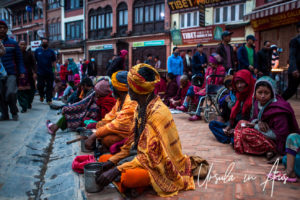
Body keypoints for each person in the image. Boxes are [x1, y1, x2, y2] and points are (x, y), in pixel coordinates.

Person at [94, 64, 208, 197]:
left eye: (129, 86)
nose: (127, 89)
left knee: (127, 178)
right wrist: (112, 162)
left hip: (160, 164)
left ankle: (140, 184)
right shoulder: (140, 107)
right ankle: (135, 185)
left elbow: (152, 157)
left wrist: (117, 169)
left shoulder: (157, 113)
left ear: (137, 89)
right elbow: (132, 144)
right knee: (104, 160)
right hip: (141, 156)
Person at [234, 77, 299, 159]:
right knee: (241, 123)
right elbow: (254, 118)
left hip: (278, 142)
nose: (263, 96)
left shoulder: (279, 111)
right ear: (255, 93)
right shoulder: (258, 103)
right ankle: (261, 149)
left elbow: (280, 135)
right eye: (260, 92)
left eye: (266, 93)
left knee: (245, 133)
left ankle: (272, 149)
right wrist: (258, 122)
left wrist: (256, 126)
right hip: (264, 133)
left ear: (272, 93)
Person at [85, 71, 138, 150]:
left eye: (112, 87)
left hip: (130, 134)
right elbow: (109, 117)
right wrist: (97, 126)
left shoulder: (130, 101)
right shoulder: (120, 100)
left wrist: (95, 135)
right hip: (119, 130)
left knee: (107, 140)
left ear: (118, 88)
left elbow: (117, 124)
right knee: (101, 136)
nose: (111, 89)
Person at [46, 79, 116, 135]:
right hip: (90, 115)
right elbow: (83, 103)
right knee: (71, 113)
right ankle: (54, 127)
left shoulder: (108, 101)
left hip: (98, 122)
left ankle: (54, 127)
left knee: (75, 116)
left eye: (98, 92)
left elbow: (105, 118)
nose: (96, 94)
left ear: (102, 92)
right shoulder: (97, 96)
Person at [212, 70, 256, 144]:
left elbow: (251, 120)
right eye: (237, 83)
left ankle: (232, 138)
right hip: (236, 125)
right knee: (212, 124)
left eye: (242, 82)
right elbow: (235, 114)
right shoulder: (239, 95)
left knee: (239, 135)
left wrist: (235, 128)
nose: (239, 86)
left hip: (247, 127)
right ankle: (232, 138)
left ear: (248, 82)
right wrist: (230, 126)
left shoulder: (254, 96)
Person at [178, 53, 225, 121]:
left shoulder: (221, 68)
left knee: (201, 94)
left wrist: (212, 75)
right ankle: (185, 105)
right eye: (210, 63)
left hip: (215, 87)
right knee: (191, 88)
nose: (210, 64)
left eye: (212, 63)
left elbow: (219, 80)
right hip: (206, 86)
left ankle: (198, 114)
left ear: (215, 62)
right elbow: (205, 79)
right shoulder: (209, 68)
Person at [0, 20, 25, 120]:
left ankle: (14, 112)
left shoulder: (13, 43)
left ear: (6, 29)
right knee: (0, 94)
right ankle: (4, 114)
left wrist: (22, 71)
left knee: (11, 92)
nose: (2, 29)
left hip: (11, 72)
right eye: (0, 27)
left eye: (3, 28)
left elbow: (19, 59)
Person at [209, 75, 236, 143]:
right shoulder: (228, 96)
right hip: (230, 122)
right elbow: (224, 113)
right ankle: (228, 137)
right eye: (228, 87)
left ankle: (230, 137)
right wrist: (221, 118)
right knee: (212, 124)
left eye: (231, 85)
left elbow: (238, 112)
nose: (231, 88)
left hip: (236, 123)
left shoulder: (239, 95)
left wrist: (230, 126)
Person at [34, 37, 56, 104]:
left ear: (48, 43)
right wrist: (34, 71)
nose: (44, 43)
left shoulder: (51, 52)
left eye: (46, 42)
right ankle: (41, 95)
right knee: (40, 85)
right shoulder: (37, 51)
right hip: (40, 72)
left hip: (49, 72)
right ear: (41, 43)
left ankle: (49, 99)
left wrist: (54, 70)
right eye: (43, 42)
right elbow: (35, 61)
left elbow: (54, 61)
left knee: (49, 86)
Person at [282, 23, 300, 100]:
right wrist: (294, 69)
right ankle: (277, 104)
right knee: (291, 90)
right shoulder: (294, 41)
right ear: (299, 29)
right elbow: (292, 56)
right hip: (296, 70)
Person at [18, 40, 36, 112]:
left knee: (31, 90)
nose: (23, 46)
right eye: (21, 44)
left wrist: (35, 73)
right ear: (18, 45)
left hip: (29, 75)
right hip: (19, 76)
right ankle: (23, 106)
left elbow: (34, 64)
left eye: (24, 44)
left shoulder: (29, 54)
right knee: (21, 92)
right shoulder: (16, 54)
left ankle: (29, 102)